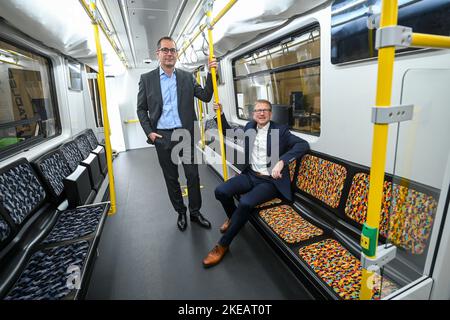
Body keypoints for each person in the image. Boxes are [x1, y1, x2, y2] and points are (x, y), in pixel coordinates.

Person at [202, 99, 309, 267]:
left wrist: (282, 161)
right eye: (258, 110)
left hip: (270, 182)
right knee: (221, 191)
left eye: (265, 110)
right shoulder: (249, 127)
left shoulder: (280, 131)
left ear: (270, 113)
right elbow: (228, 132)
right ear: (253, 114)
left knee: (245, 202)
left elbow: (303, 145)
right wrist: (220, 114)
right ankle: (232, 217)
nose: (261, 113)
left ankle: (222, 245)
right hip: (251, 175)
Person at [137, 36, 217, 231]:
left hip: (185, 134)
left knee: (193, 176)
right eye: (165, 50)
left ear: (177, 53)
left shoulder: (187, 77)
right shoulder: (147, 79)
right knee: (171, 178)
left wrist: (211, 72)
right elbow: (141, 109)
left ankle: (195, 212)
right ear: (158, 54)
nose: (169, 54)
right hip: (162, 136)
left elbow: (206, 97)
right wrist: (150, 133)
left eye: (173, 50)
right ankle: (180, 212)